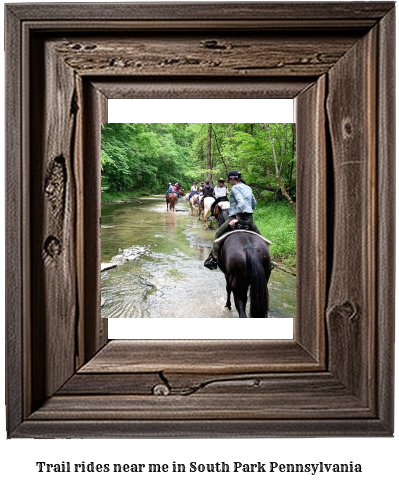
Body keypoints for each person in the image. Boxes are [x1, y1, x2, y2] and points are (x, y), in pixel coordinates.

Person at [204, 170, 261, 270]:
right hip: (249, 219)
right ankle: (267, 263)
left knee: (218, 235)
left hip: (235, 217)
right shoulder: (248, 188)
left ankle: (214, 259)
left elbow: (241, 202)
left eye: (229, 180)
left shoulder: (234, 188)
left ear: (233, 179)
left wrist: (237, 218)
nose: (229, 182)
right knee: (261, 239)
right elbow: (254, 204)